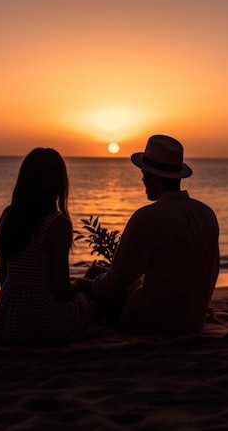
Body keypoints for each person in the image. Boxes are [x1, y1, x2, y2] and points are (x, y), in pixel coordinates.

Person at [82, 135, 220, 335]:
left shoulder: (147, 217)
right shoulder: (206, 213)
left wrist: (87, 285)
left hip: (152, 322)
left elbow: (114, 284)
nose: (141, 179)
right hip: (193, 319)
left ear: (151, 176)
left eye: (143, 173)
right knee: (102, 274)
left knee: (94, 277)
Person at [0, 147, 96, 346]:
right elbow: (61, 291)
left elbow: (5, 282)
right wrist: (81, 284)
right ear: (58, 183)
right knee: (88, 304)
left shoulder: (8, 216)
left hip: (5, 324)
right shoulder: (57, 223)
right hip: (44, 324)